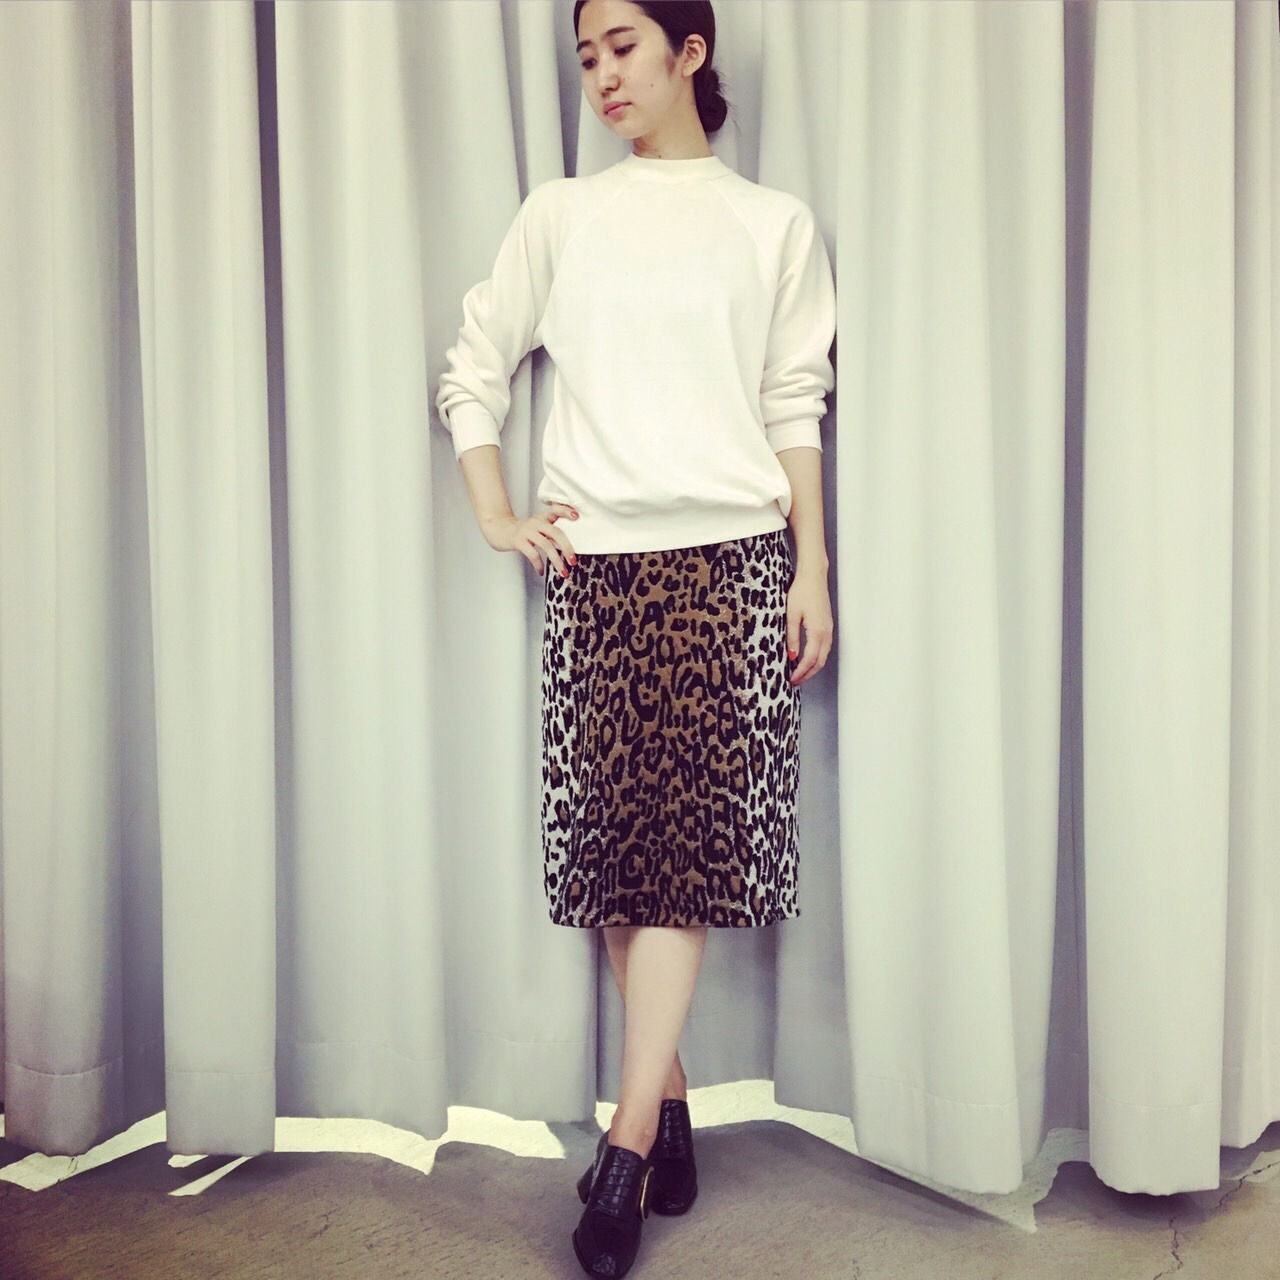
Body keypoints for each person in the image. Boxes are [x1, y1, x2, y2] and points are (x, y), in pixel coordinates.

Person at [434, 0, 835, 1273]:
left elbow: (792, 399)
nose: (601, 75)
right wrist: (495, 512)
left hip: (729, 566)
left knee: (678, 869)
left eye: (621, 47)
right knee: (620, 872)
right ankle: (669, 1108)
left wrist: (811, 566)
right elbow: (471, 369)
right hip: (596, 572)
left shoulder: (770, 224)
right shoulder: (561, 215)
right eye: (585, 56)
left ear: (687, 52)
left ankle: (622, 1149)